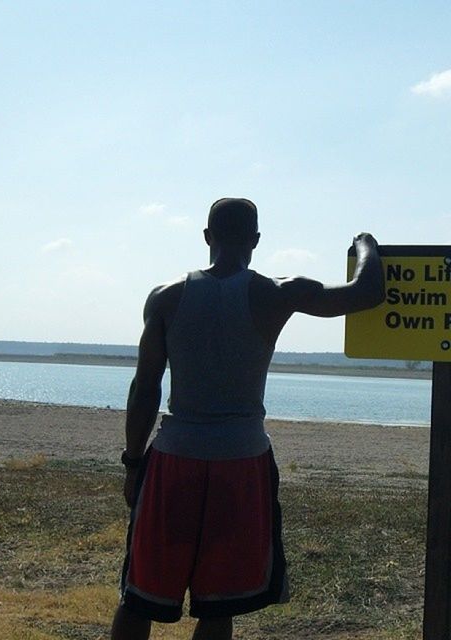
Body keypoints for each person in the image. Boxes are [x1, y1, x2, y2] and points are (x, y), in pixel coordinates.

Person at [110, 198, 385, 640]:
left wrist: (133, 463)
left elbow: (145, 388)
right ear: (256, 241)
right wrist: (366, 244)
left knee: (140, 596)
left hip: (173, 458)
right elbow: (366, 292)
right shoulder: (277, 293)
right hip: (241, 462)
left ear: (207, 237)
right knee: (219, 604)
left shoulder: (165, 297)